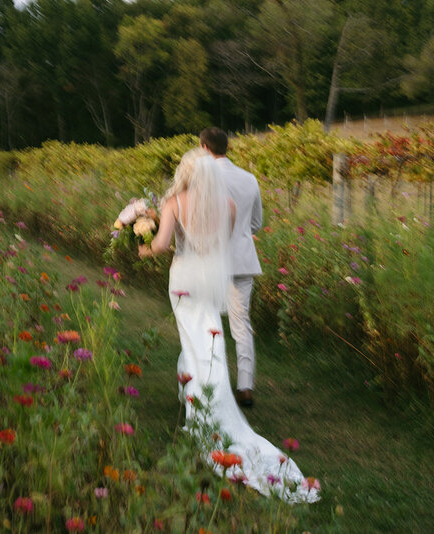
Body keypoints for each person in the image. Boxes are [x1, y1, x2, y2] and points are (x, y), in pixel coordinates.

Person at [139, 148, 319, 502]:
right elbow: (222, 246)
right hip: (210, 282)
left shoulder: (174, 202)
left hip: (182, 281)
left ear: (187, 173)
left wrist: (143, 249)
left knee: (193, 342)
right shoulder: (230, 207)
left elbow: (161, 244)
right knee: (209, 342)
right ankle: (203, 400)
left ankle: (199, 408)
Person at [200, 127, 262, 407]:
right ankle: (245, 387)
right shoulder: (249, 179)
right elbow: (256, 223)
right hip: (243, 259)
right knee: (241, 323)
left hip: (214, 260)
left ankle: (214, 383)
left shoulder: (204, 178)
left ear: (204, 148)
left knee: (209, 321)